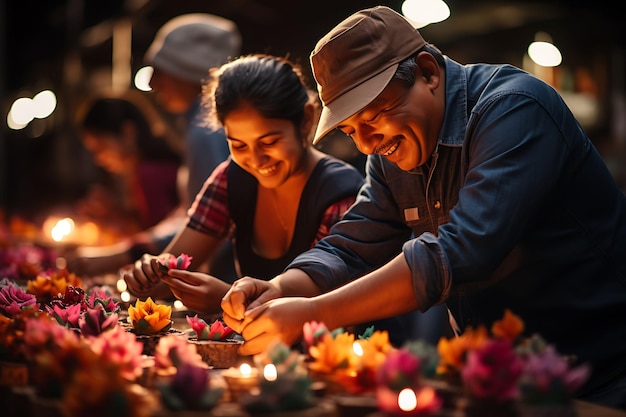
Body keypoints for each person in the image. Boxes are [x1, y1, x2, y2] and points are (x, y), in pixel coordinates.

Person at [221, 6, 626, 409]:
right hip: (497, 378)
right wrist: (279, 288)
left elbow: (461, 251)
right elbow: (351, 246)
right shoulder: (390, 153)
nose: (364, 144)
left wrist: (314, 312)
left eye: (375, 115)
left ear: (428, 72)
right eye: (349, 130)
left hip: (599, 375)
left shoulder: (515, 109)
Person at [121, 54, 366, 320]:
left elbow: (330, 303)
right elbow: (169, 267)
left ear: (307, 119)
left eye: (269, 142)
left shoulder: (341, 192)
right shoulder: (232, 177)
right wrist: (149, 272)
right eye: (238, 145)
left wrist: (226, 298)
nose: (256, 160)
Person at [65, 14, 241, 278]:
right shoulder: (199, 125)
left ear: (188, 71)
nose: (150, 83)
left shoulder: (205, 130)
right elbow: (194, 211)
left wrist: (130, 255)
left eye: (160, 71)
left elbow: (212, 220)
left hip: (224, 280)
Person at [64, 95, 182, 274]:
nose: (98, 159)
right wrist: (113, 213)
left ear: (128, 132)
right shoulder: (141, 171)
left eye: (101, 147)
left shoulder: (149, 173)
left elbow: (161, 242)